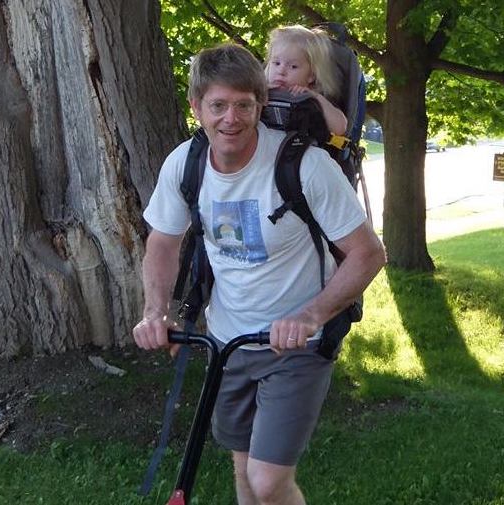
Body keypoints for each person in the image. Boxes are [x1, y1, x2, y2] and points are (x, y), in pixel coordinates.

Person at [133, 42, 386, 505]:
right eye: (218, 106)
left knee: (269, 482)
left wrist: (311, 317)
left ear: (261, 103)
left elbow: (368, 254)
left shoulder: (303, 164)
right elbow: (163, 243)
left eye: (244, 105)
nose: (231, 118)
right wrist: (156, 312)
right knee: (244, 469)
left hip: (296, 344)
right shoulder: (184, 165)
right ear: (196, 107)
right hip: (228, 342)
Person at [265, 24, 347, 136]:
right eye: (276, 63)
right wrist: (257, 95)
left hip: (303, 149)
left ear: (311, 75)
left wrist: (316, 98)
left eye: (293, 66)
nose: (281, 71)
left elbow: (340, 128)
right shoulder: (261, 92)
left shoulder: (313, 99)